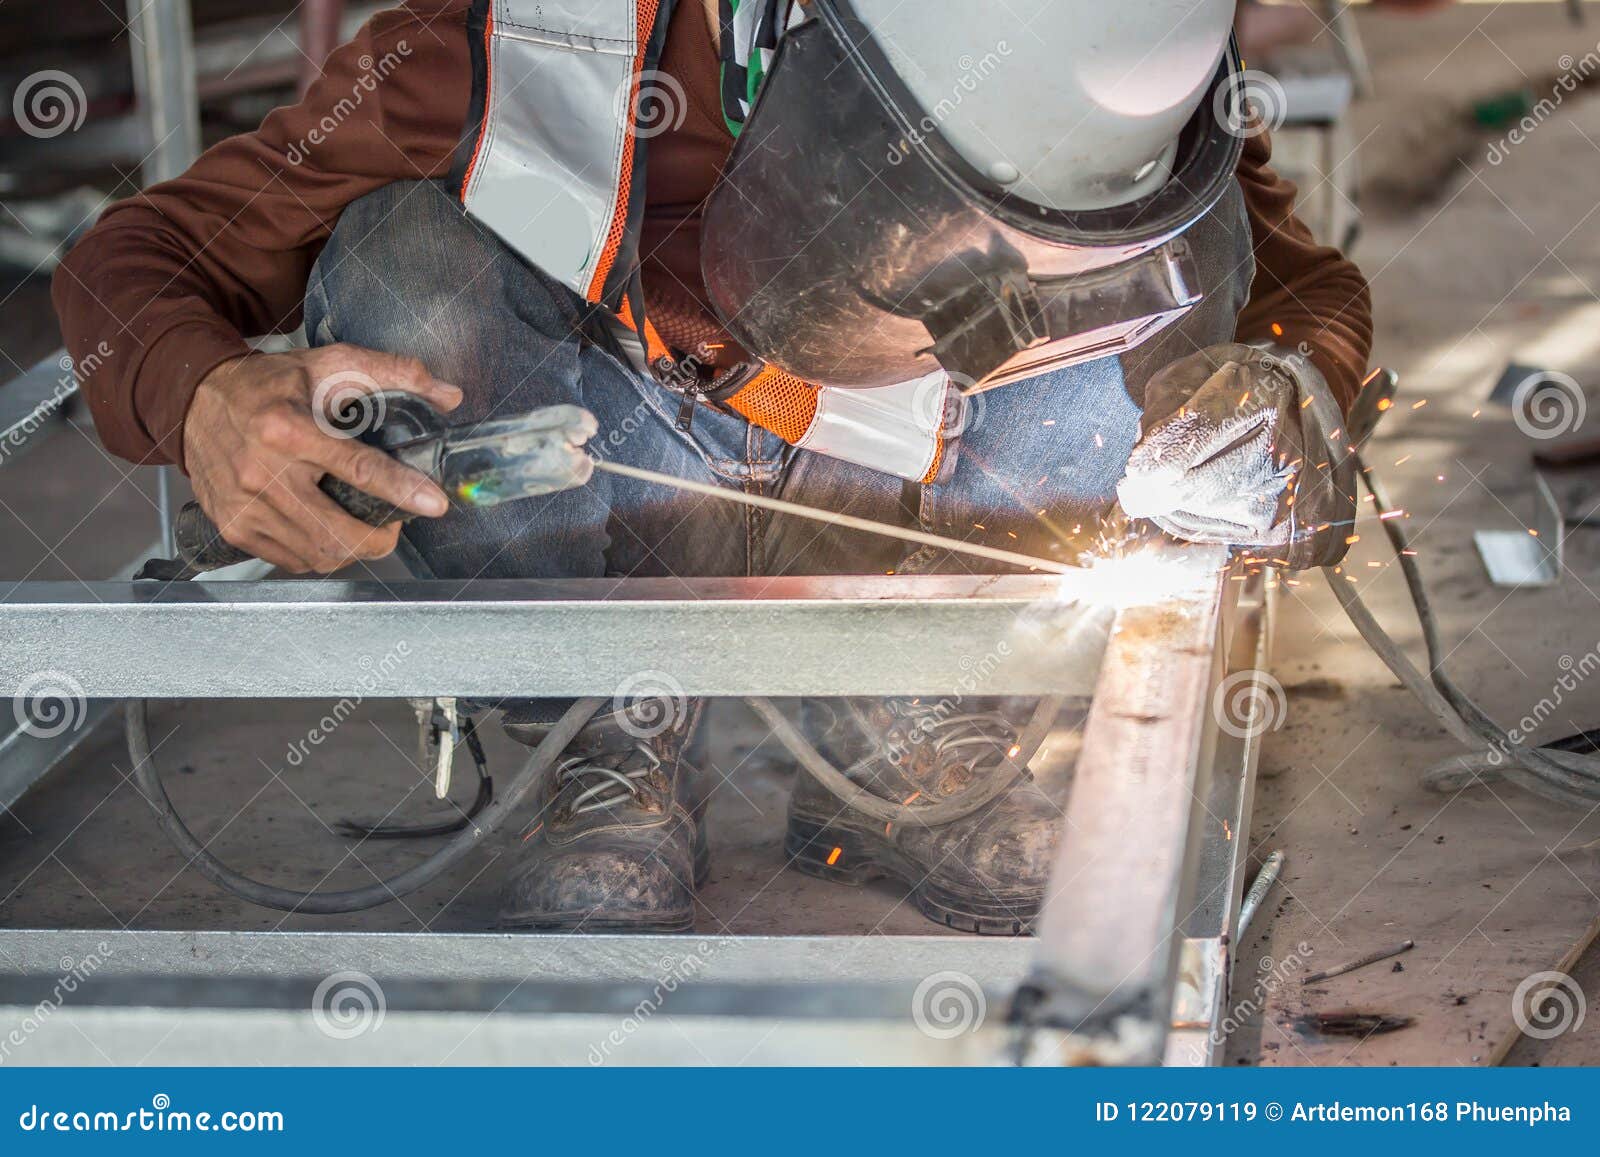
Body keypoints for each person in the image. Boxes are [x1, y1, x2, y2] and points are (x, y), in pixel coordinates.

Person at [53, 0, 1370, 936]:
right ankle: (606, 725)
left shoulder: (1065, 61)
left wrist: (1281, 382)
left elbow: (1301, 289)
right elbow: (135, 261)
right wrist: (203, 394)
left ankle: (916, 709)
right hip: (616, 485)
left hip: (911, 507)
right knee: (405, 260)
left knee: (1146, 292)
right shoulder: (504, 44)